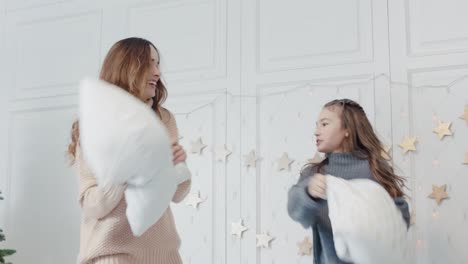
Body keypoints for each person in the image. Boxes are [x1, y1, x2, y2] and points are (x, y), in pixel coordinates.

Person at [68, 37, 191, 264]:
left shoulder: (164, 119)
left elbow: (178, 193)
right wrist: (124, 170)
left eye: (158, 64)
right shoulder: (95, 123)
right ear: (127, 68)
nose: (157, 73)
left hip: (164, 254)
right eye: (149, 64)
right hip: (113, 254)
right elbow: (92, 205)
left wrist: (178, 167)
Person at [287, 98, 410, 264]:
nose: (316, 131)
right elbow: (295, 210)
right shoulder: (315, 174)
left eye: (324, 124)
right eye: (316, 125)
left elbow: (400, 217)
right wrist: (308, 193)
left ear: (347, 129)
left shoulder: (374, 168)